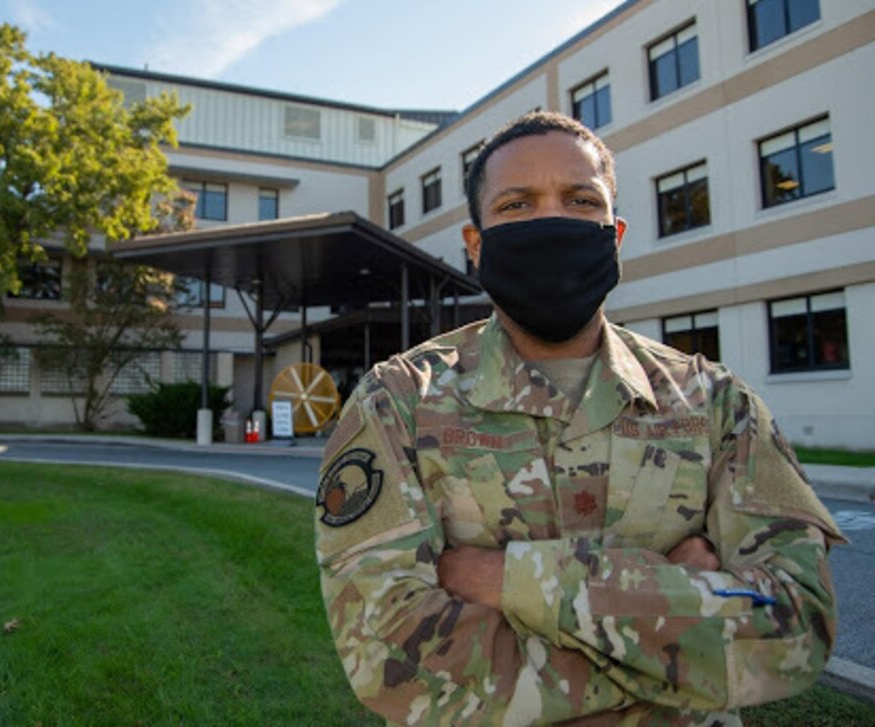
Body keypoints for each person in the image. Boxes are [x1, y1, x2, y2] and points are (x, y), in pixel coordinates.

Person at [314, 111, 845, 725]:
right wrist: (670, 621)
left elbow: (796, 626)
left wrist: (508, 579)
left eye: (580, 199)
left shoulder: (716, 404)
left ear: (614, 236)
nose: (551, 221)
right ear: (476, 245)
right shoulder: (398, 402)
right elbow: (390, 654)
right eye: (517, 204)